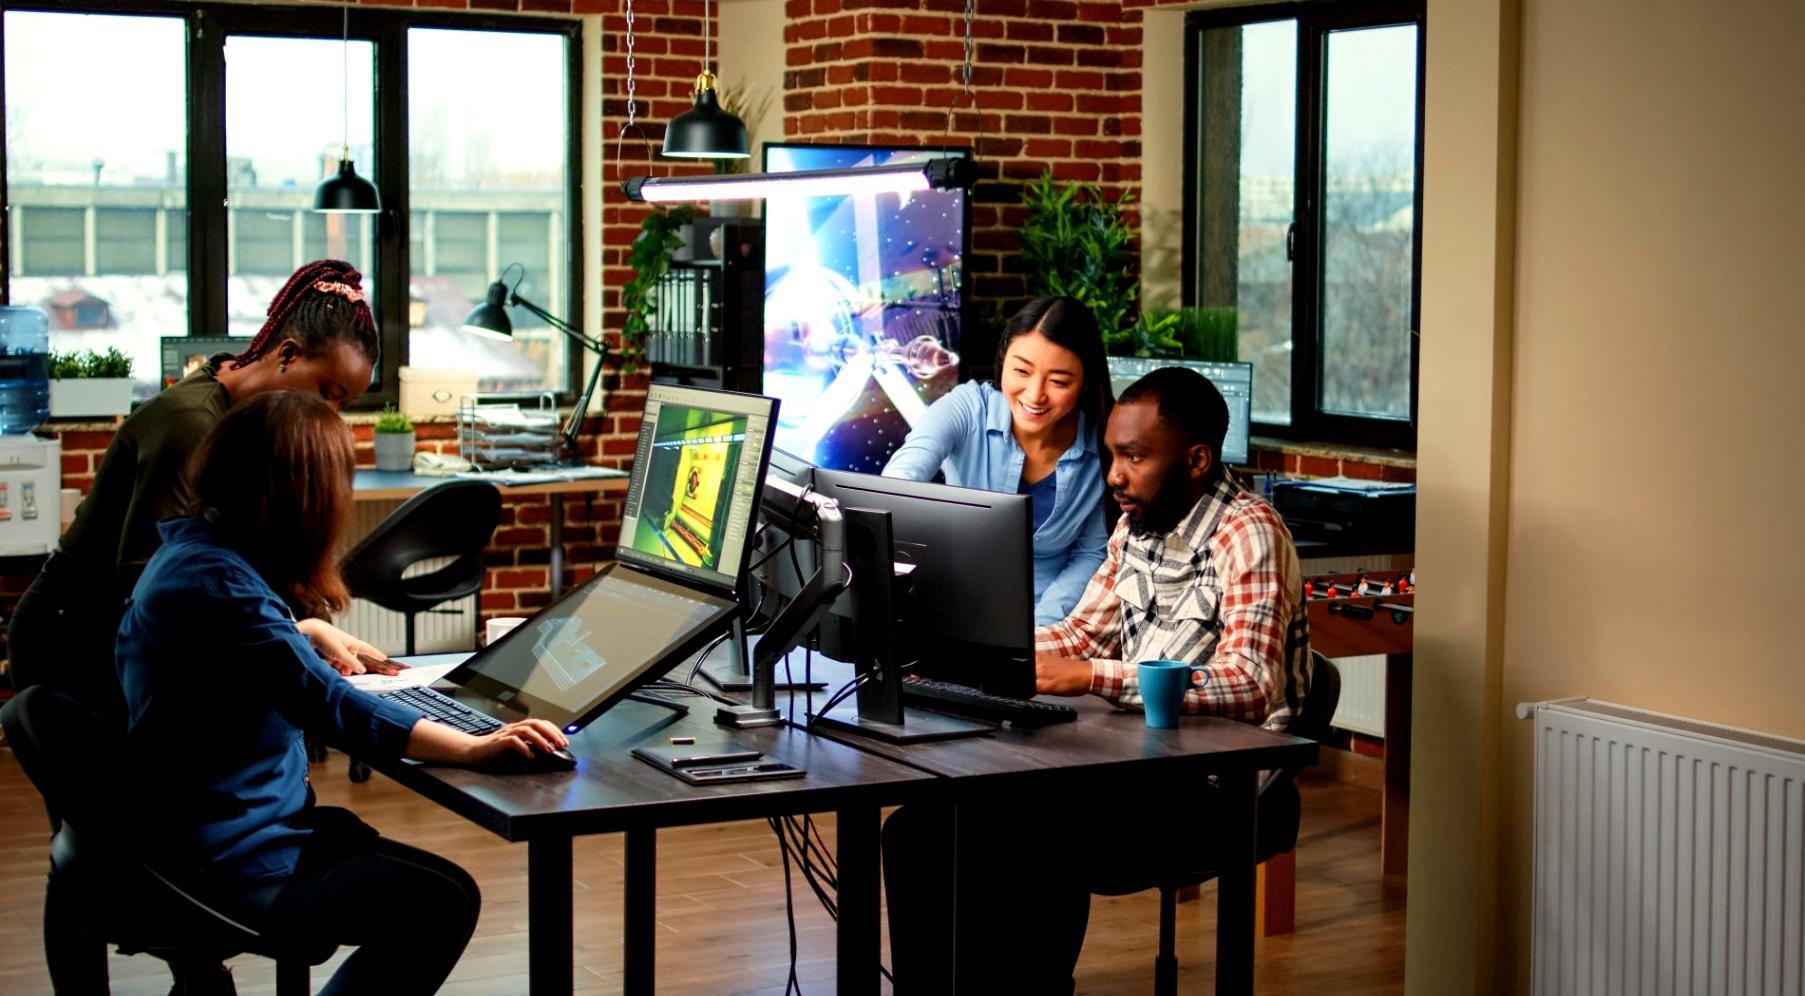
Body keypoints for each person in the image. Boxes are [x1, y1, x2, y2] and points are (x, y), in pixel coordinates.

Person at [115, 392, 569, 995]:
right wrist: (469, 747)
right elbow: (328, 706)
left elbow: (232, 654)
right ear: (299, 496)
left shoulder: (193, 553)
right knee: (440, 905)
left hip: (191, 831)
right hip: (228, 856)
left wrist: (302, 630)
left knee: (443, 891)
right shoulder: (222, 585)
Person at [882, 366, 1312, 993]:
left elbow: (1249, 684)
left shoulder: (1250, 532)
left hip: (1219, 786)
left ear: (1196, 459)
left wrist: (1089, 676)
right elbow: (1081, 634)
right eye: (1113, 454)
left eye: (1134, 457)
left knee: (1023, 828)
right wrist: (973, 652)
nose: (1114, 475)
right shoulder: (1136, 523)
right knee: (919, 828)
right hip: (1136, 760)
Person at [8, 260, 384, 724]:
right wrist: (288, 633)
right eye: (328, 392)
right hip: (77, 632)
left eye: (344, 404)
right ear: (286, 354)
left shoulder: (247, 408)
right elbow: (146, 575)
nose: (331, 414)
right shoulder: (191, 424)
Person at [882, 296, 1112, 624]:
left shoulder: (1101, 445)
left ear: (1085, 381)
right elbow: (901, 478)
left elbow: (1090, 554)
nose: (1035, 395)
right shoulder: (967, 407)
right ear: (1003, 359)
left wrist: (1038, 635)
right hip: (952, 608)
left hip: (1053, 622)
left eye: (1059, 381)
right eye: (1021, 371)